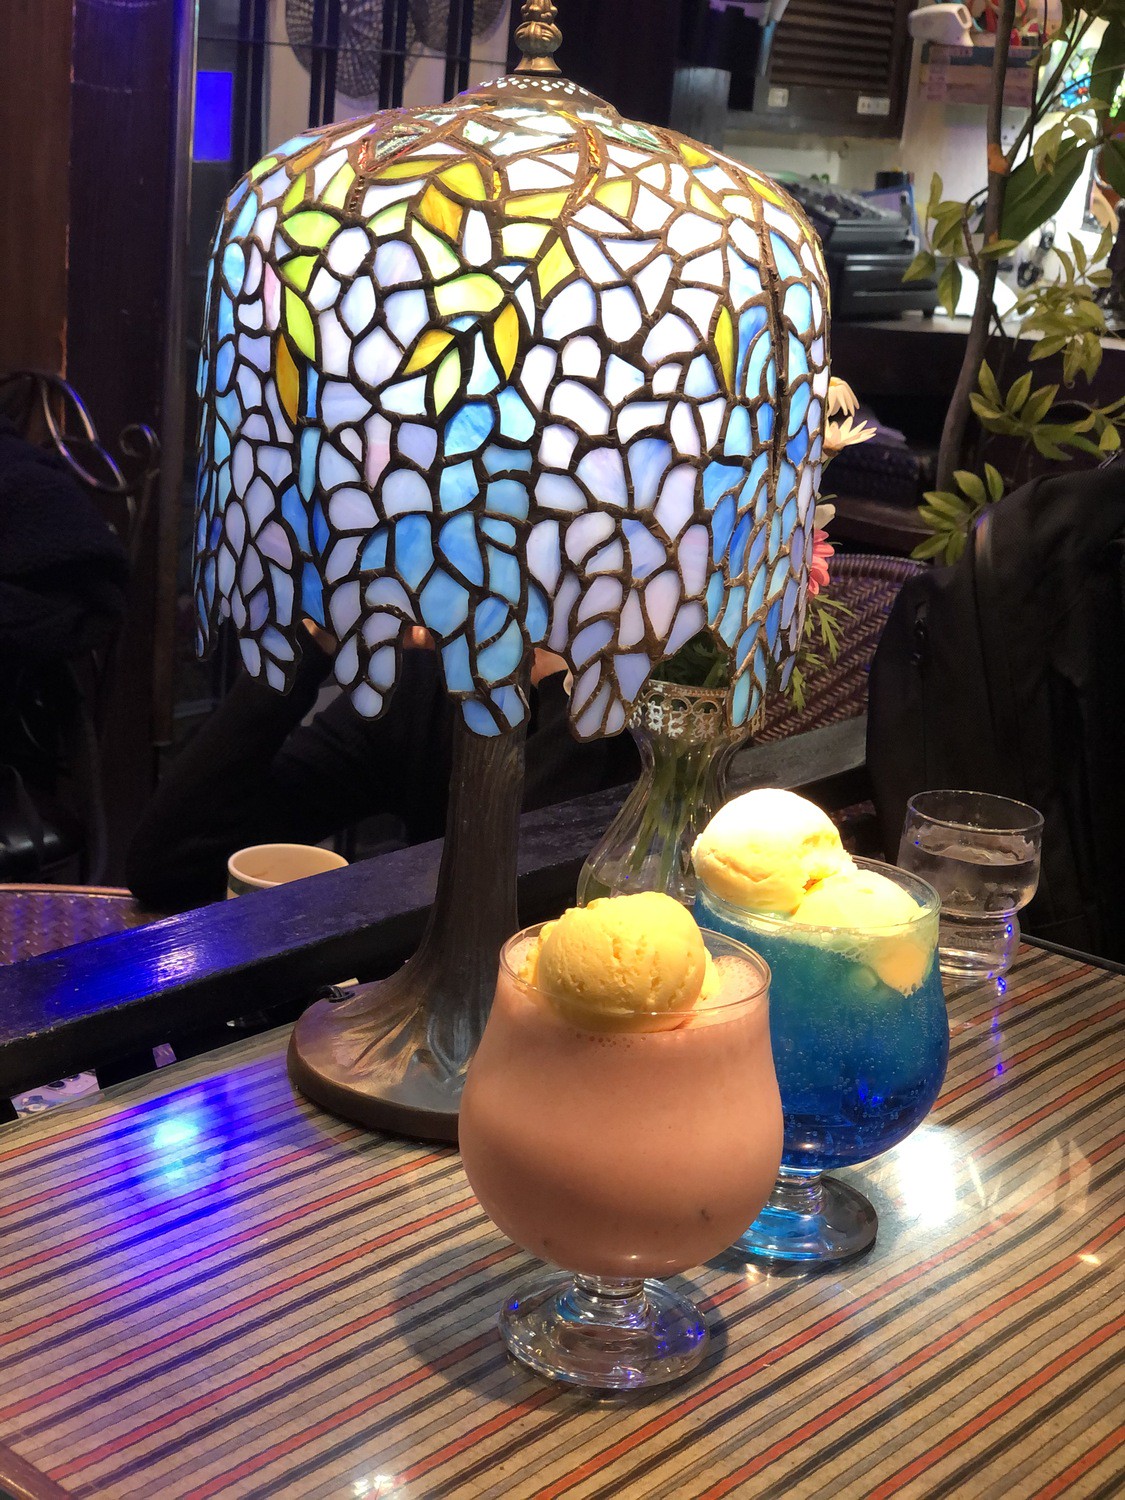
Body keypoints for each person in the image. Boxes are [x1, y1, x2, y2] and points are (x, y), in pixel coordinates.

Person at [127, 623, 639, 911]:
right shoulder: (428, 688)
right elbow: (172, 867)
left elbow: (521, 923)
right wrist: (304, 646)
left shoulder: (647, 723)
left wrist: (565, 686)